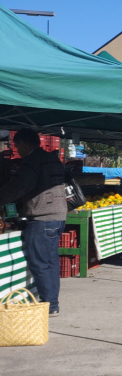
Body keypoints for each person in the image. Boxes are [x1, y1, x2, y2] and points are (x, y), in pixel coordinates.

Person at [0, 129, 66, 316]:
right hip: (58, 215)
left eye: (16, 145)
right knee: (51, 262)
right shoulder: (51, 158)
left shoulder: (33, 161)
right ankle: (52, 302)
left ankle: (50, 304)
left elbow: (19, 186)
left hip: (42, 218)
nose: (16, 150)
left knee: (40, 263)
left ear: (23, 143)